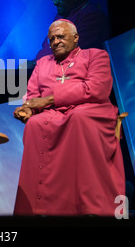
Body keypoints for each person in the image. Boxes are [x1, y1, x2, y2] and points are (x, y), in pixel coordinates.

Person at [13, 19, 125, 216]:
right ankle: (38, 208)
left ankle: (88, 206)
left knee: (79, 118)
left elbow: (97, 89)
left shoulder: (96, 56)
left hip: (90, 109)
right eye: (52, 39)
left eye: (60, 37)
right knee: (35, 125)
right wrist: (28, 110)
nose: (55, 42)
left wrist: (48, 100)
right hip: (52, 113)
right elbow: (32, 97)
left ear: (75, 37)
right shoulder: (42, 63)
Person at [27, 0, 109, 67]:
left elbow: (71, 54)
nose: (56, 3)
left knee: (13, 77)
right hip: (43, 68)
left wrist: (35, 64)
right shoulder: (60, 16)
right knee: (11, 70)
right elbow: (47, 47)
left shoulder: (92, 16)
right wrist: (33, 63)